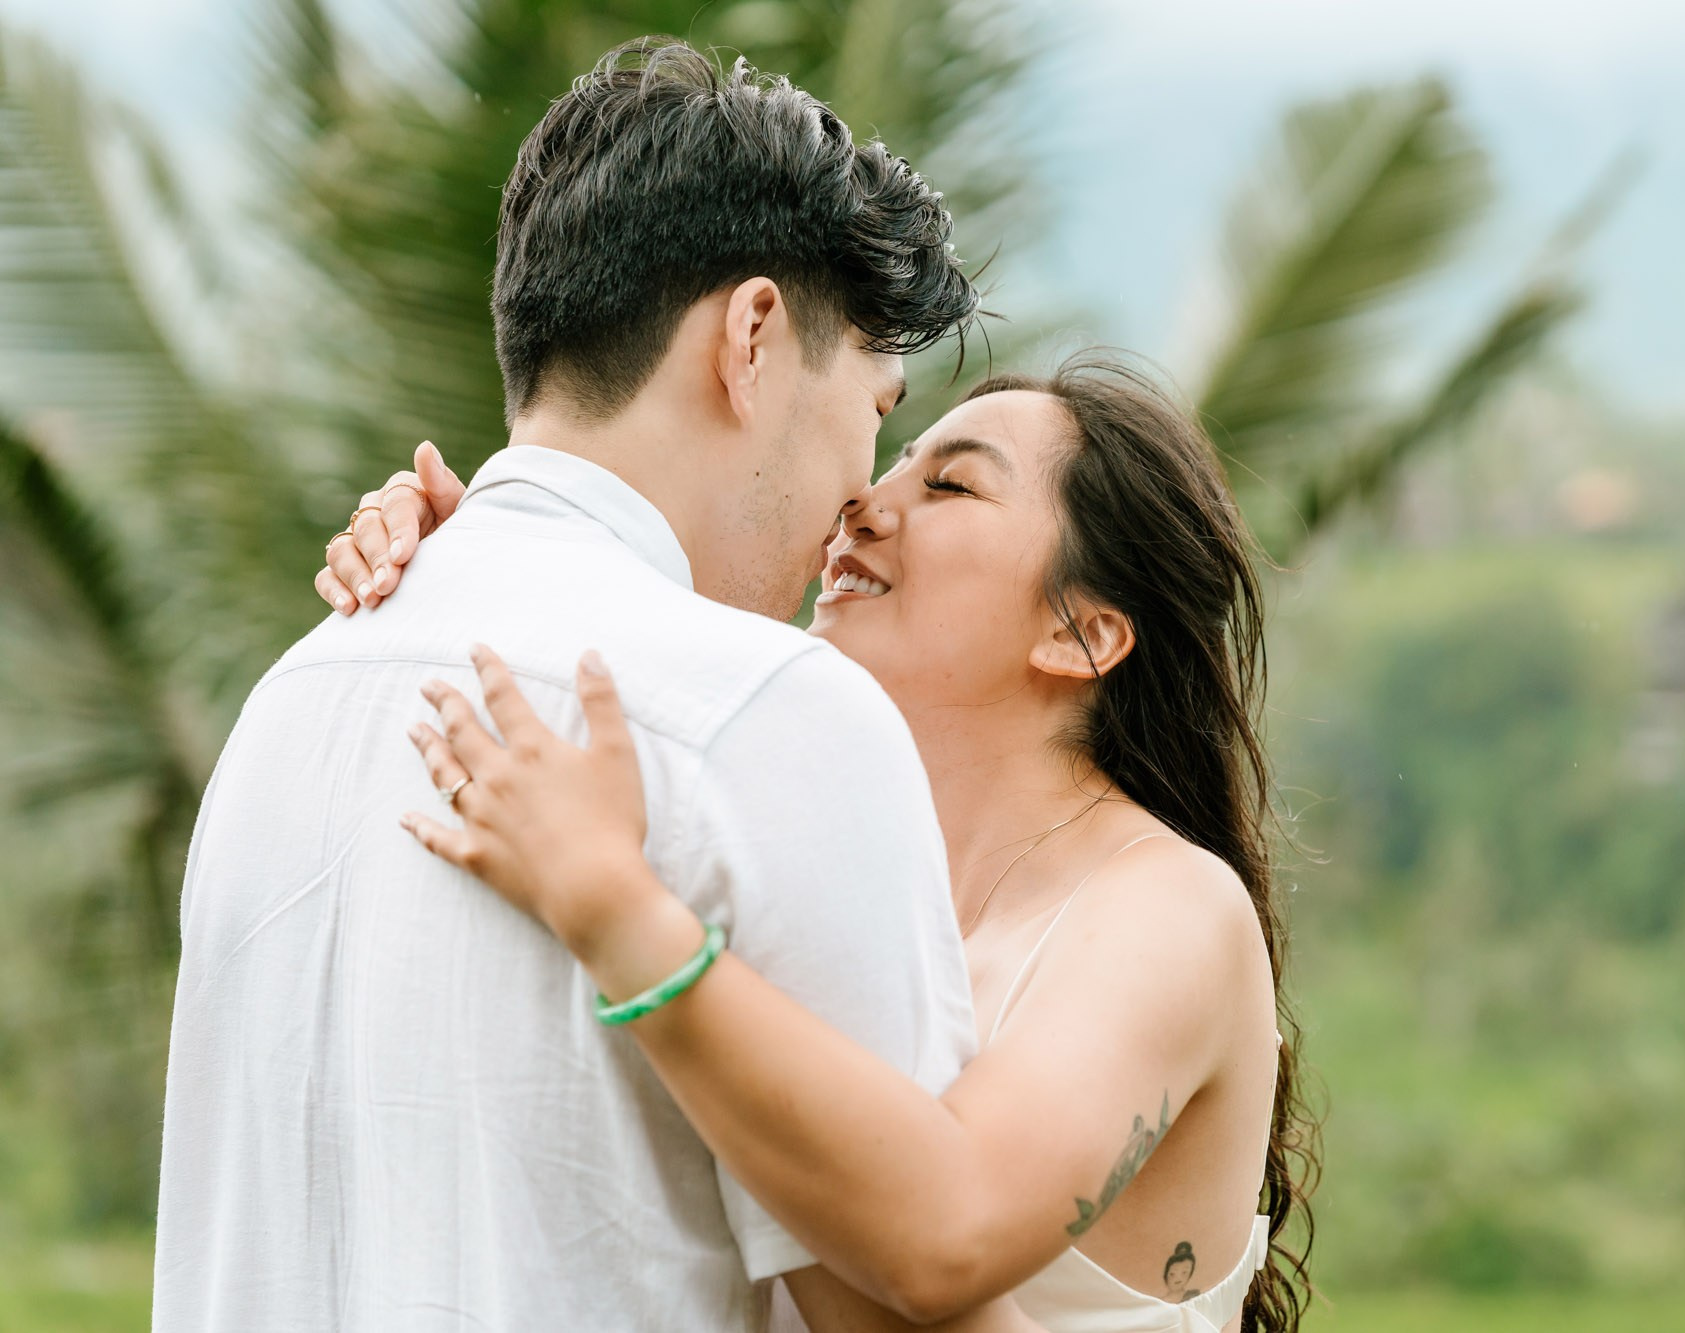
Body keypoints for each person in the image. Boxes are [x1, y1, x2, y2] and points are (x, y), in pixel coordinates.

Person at [153, 36, 1015, 1333]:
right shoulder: (772, 714)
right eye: (878, 410)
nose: (861, 495)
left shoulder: (289, 701)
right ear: (755, 338)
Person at [320, 358, 1317, 1332]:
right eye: (891, 462)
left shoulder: (1168, 911)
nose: (864, 502)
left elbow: (945, 1238)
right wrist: (484, 564)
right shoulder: (826, 863)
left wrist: (616, 913)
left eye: (949, 485)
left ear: (1081, 635)